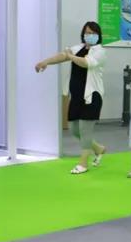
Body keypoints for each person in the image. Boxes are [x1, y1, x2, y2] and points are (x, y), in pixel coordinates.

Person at [35, 21, 107, 174]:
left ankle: (83, 164)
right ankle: (98, 149)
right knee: (74, 130)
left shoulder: (100, 51)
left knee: (85, 130)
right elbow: (62, 56)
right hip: (76, 96)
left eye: (93, 33)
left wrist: (70, 56)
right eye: (87, 32)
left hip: (91, 96)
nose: (89, 35)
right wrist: (45, 62)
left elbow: (86, 63)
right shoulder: (78, 48)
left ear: (98, 35)